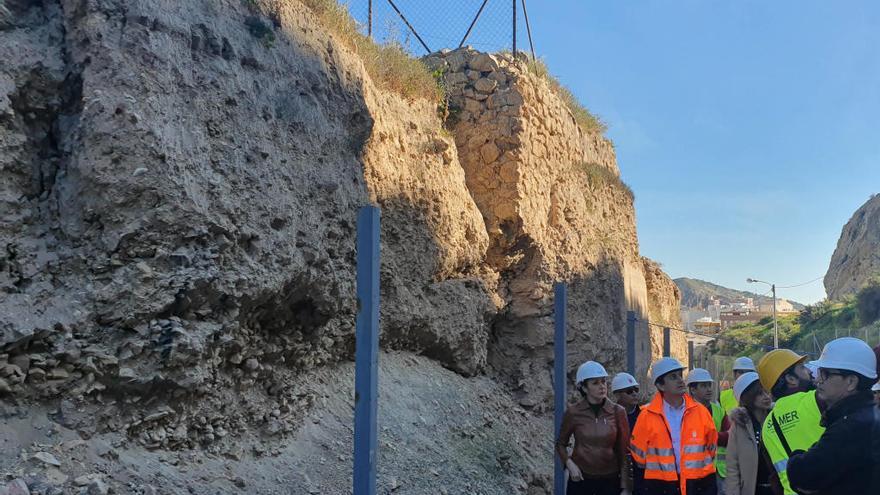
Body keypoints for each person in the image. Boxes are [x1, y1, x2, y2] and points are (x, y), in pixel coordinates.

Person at [786, 337, 880, 495]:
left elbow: (803, 474)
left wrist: (797, 457)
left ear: (851, 382)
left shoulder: (850, 428)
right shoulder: (866, 416)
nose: (817, 380)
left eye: (825, 374)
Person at [630, 357, 718, 495]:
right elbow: (638, 456)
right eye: (673, 377)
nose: (680, 380)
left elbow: (712, 448)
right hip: (661, 486)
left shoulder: (701, 412)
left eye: (680, 375)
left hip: (700, 484)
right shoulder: (646, 416)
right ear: (660, 385)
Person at [754, 349, 824, 495]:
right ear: (790, 379)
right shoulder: (816, 400)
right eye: (802, 367)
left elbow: (775, 478)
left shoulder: (767, 426)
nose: (809, 372)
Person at [557, 361, 633, 495]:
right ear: (584, 388)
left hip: (610, 481)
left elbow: (624, 452)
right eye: (595, 383)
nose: (602, 386)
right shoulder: (573, 412)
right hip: (581, 479)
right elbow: (561, 444)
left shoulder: (617, 412)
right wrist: (570, 464)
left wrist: (625, 487)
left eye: (603, 381)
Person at [724, 372, 774, 495]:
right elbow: (732, 466)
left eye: (766, 391)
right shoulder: (739, 425)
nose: (766, 396)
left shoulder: (777, 417)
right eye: (759, 394)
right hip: (752, 490)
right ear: (747, 398)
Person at [686, 369, 730, 495]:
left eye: (709, 385)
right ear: (693, 389)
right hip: (695, 472)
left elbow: (729, 436)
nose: (709, 389)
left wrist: (710, 436)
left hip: (718, 470)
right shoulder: (686, 412)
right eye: (703, 386)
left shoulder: (718, 410)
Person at [612, 372, 644, 495]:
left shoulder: (644, 417)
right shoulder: (609, 418)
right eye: (629, 391)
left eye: (636, 389)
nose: (635, 393)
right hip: (616, 477)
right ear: (617, 395)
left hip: (641, 477)